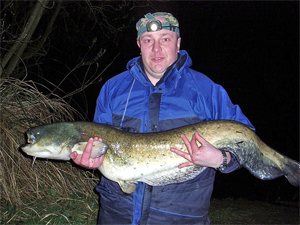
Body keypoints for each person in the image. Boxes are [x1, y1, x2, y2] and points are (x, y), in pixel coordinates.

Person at [70, 12, 255, 224]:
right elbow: (98, 144)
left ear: (178, 43)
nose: (156, 49)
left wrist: (221, 159)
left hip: (180, 218)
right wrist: (90, 159)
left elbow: (247, 139)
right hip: (117, 214)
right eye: (148, 40)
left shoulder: (206, 90)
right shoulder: (113, 89)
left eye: (165, 39)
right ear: (139, 44)